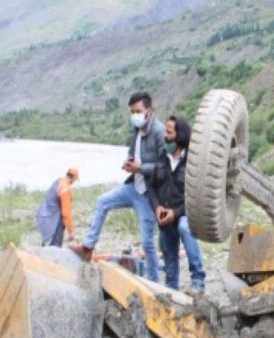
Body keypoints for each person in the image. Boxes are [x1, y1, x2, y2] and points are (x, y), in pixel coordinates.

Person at [70, 92, 165, 281]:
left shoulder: (159, 132)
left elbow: (165, 167)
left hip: (149, 194)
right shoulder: (137, 130)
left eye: (138, 111)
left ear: (149, 111)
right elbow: (134, 153)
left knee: (147, 243)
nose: (135, 115)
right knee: (102, 201)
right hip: (132, 187)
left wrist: (140, 168)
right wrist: (129, 164)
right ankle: (88, 248)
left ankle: (155, 284)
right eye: (132, 112)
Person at [149, 115, 205, 292]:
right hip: (164, 217)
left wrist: (176, 212)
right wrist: (157, 207)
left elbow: (197, 195)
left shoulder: (192, 162)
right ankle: (171, 293)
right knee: (169, 262)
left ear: (179, 135)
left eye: (169, 132)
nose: (165, 135)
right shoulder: (161, 157)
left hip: (184, 214)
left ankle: (198, 280)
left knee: (185, 227)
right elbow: (151, 188)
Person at [35, 168, 78, 247]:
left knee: (46, 243)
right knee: (55, 247)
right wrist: (71, 233)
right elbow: (66, 214)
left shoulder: (58, 181)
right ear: (74, 178)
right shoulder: (66, 189)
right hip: (55, 221)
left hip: (45, 216)